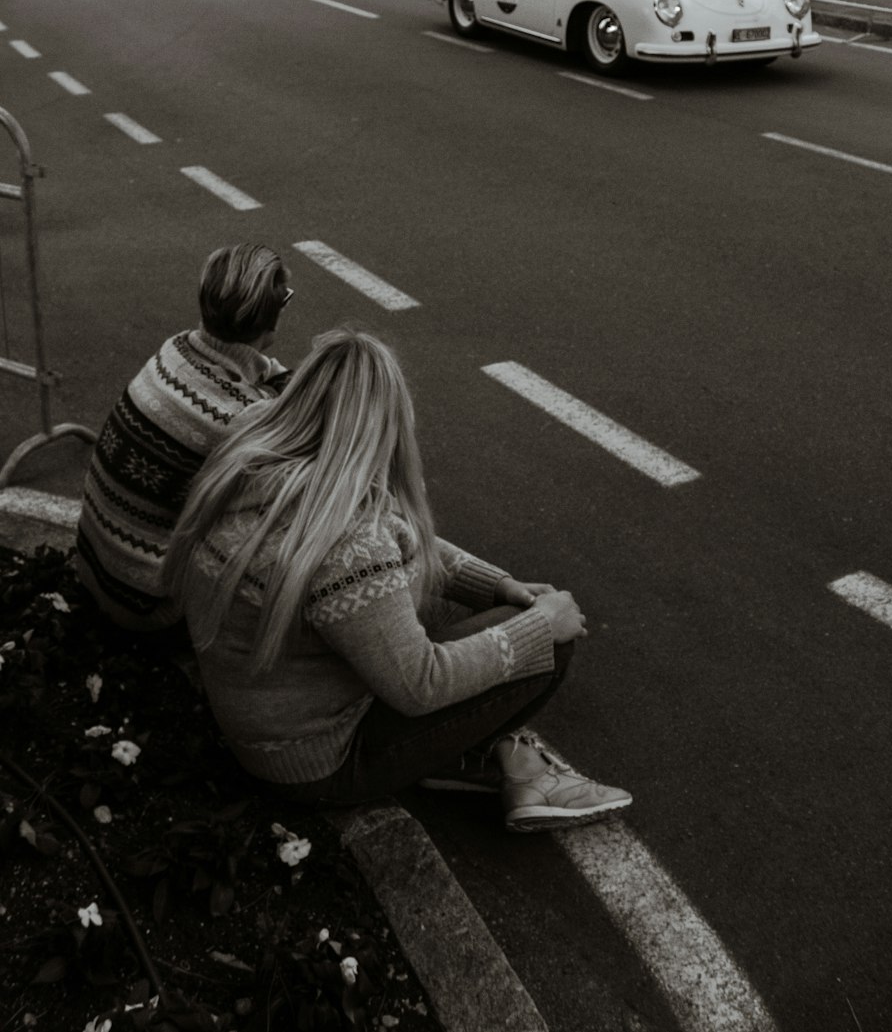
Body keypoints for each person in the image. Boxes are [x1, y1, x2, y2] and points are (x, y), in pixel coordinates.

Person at [163, 328, 632, 833]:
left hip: (268, 727)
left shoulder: (259, 455)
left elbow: (397, 543)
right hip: (322, 764)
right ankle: (497, 765)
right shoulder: (346, 542)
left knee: (475, 613)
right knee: (546, 647)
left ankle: (474, 756)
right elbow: (420, 684)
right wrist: (540, 626)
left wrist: (497, 585)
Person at [75, 243, 294, 632]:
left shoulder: (174, 350)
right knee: (286, 515)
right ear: (272, 319)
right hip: (148, 604)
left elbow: (258, 376)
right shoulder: (242, 415)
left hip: (98, 567)